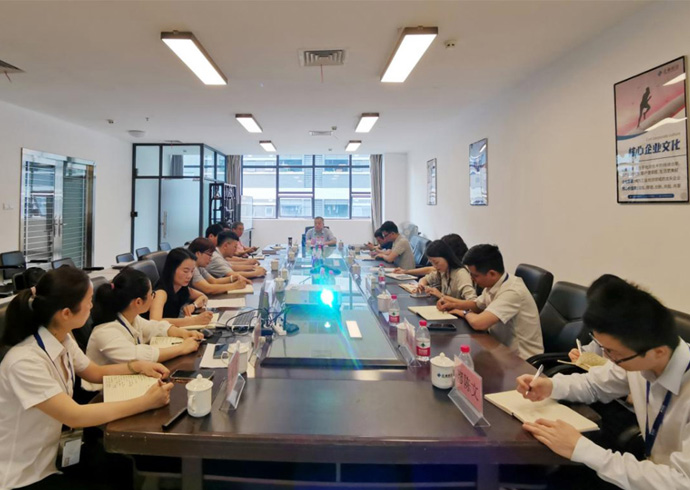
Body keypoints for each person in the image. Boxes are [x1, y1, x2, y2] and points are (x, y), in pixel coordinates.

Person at [0, 267, 172, 490]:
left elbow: (94, 372)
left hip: (51, 456)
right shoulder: (24, 362)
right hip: (21, 477)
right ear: (66, 313)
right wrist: (146, 401)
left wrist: (137, 366)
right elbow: (76, 416)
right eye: (88, 300)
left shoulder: (62, 339)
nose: (92, 306)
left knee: (119, 467)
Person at [516, 275, 690, 490]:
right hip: (647, 472)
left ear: (658, 352)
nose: (609, 358)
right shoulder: (641, 357)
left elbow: (682, 482)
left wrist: (583, 449)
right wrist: (550, 386)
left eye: (613, 353)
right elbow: (595, 384)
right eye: (603, 349)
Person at [438, 244, 543, 359]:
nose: (472, 279)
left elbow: (479, 323)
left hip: (521, 360)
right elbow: (477, 305)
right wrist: (452, 303)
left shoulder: (512, 292)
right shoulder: (495, 283)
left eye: (475, 276)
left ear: (492, 274)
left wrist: (463, 312)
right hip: (497, 347)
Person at [87, 268, 202, 369]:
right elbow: (137, 356)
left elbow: (154, 327)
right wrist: (182, 348)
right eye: (151, 294)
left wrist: (182, 333)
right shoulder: (106, 331)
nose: (153, 297)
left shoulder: (132, 317)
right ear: (138, 302)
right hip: (107, 386)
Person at [149, 248, 213, 327]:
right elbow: (155, 321)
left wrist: (193, 305)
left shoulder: (180, 287)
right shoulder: (161, 293)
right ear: (172, 269)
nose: (189, 276)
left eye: (192, 271)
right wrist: (193, 321)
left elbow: (203, 297)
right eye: (185, 271)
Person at [188, 237, 252, 295]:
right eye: (209, 255)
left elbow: (214, 281)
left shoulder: (199, 266)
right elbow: (208, 289)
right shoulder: (192, 267)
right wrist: (235, 286)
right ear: (198, 254)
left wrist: (233, 278)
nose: (211, 258)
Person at [395, 233, 469, 276]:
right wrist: (406, 271)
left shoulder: (461, 270)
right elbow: (430, 270)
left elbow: (430, 269)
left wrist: (406, 271)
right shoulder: (445, 266)